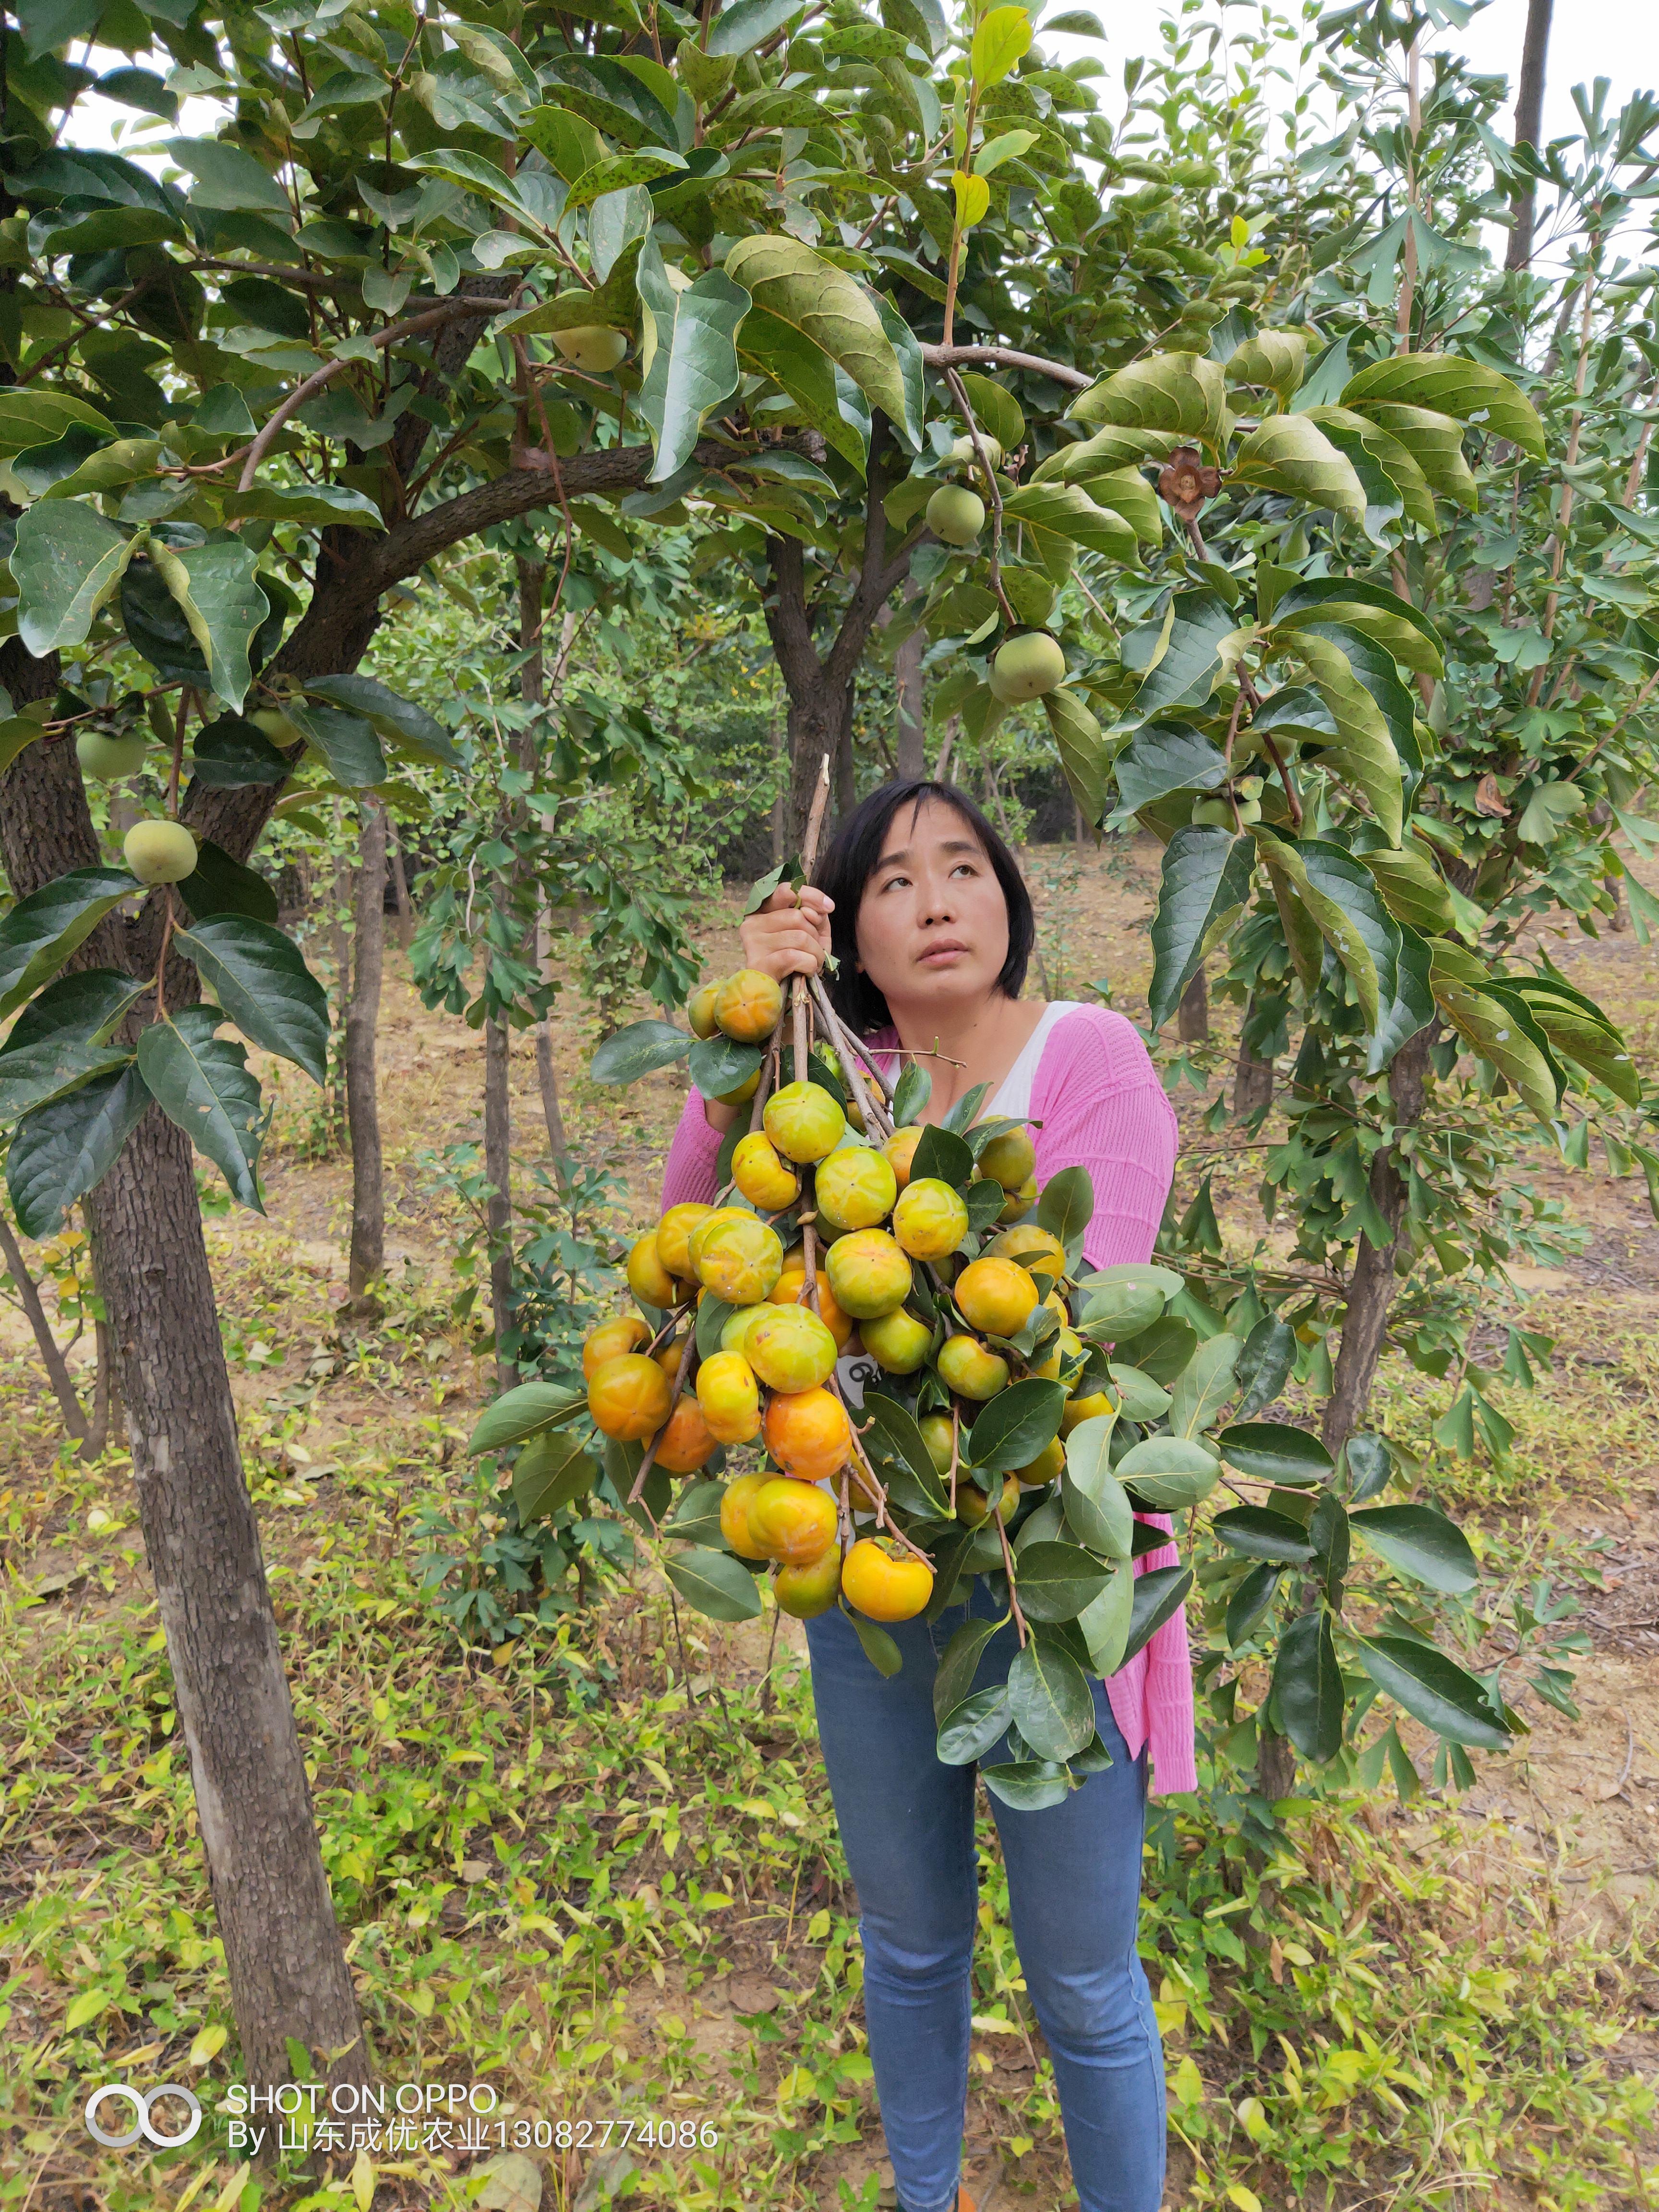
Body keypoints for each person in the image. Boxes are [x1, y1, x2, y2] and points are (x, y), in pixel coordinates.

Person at [658, 780, 1190, 2212]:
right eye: (893, 882)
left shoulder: (1089, 1055)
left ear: (1012, 900)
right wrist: (746, 1046)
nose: (937, 900)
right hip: (872, 1578)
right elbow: (696, 1242)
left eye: (964, 868)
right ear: (848, 936)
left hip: (1052, 1593)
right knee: (907, 1948)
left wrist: (867, 1222)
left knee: (1084, 1979)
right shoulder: (820, 1086)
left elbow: (1071, 1334)